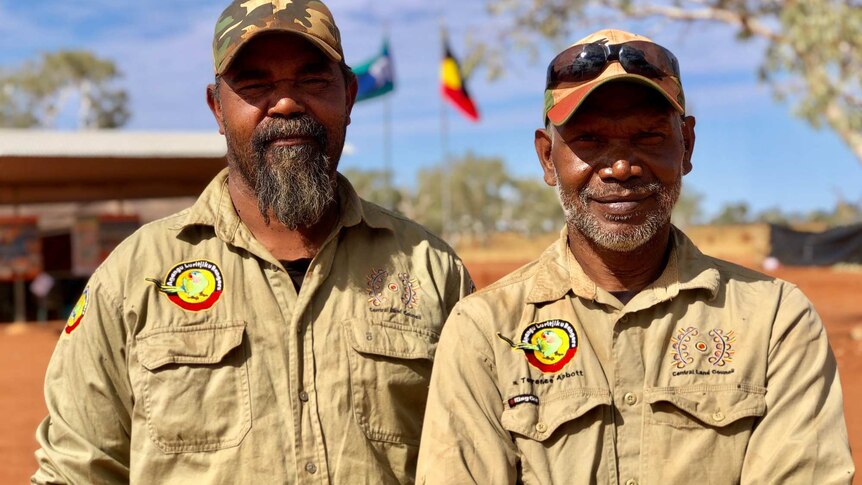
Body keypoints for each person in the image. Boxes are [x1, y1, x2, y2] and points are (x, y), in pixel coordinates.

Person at [32, 1, 472, 483]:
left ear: (348, 96)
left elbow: (472, 460)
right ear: (217, 108)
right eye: (256, 84)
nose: (285, 103)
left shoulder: (432, 271)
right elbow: (76, 470)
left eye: (311, 80)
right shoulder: (132, 277)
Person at [416, 29, 854, 484]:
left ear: (687, 145)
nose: (620, 166)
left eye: (647, 137)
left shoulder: (775, 320)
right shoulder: (486, 331)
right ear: (548, 158)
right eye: (588, 140)